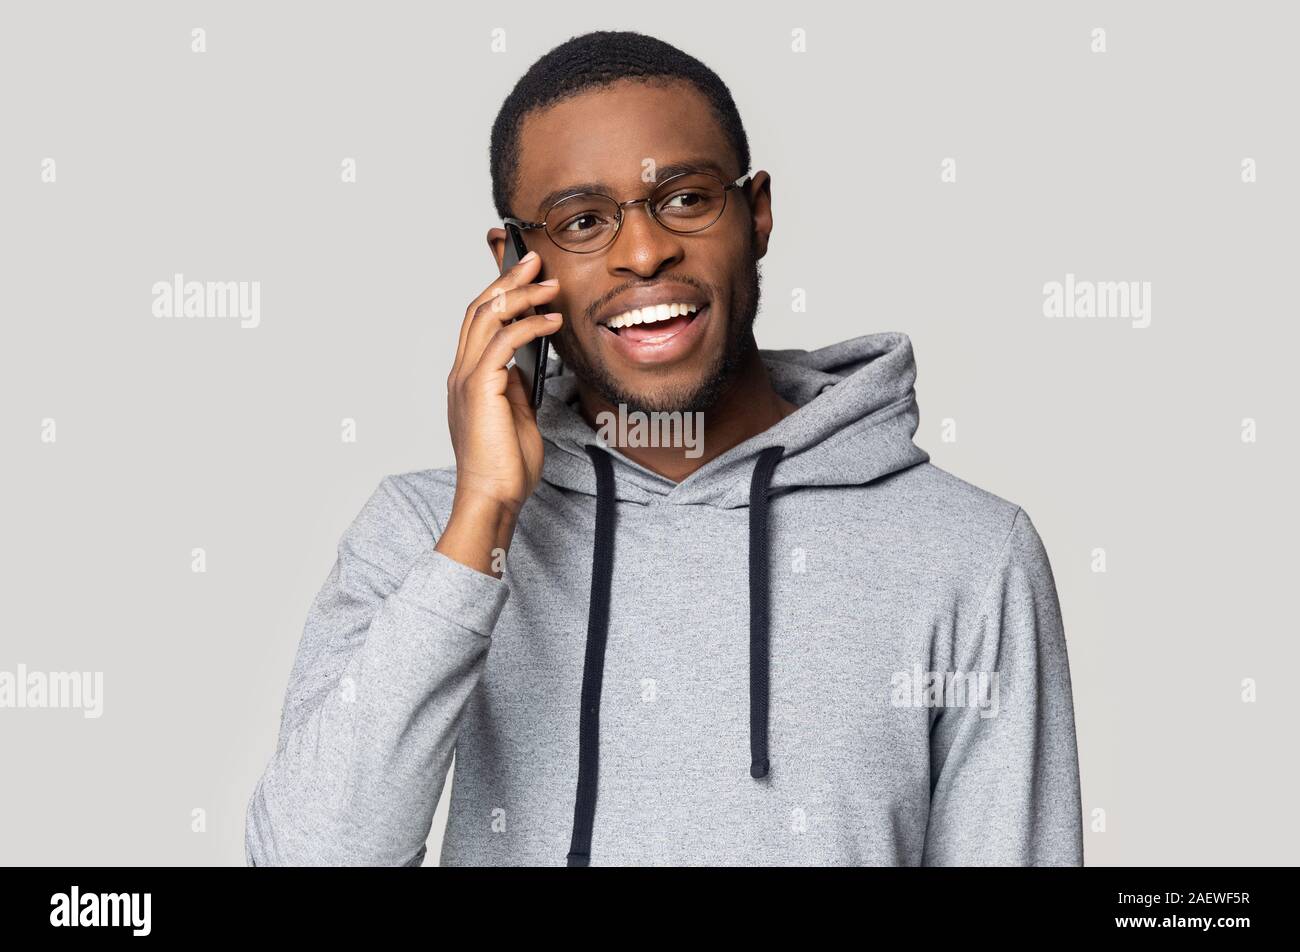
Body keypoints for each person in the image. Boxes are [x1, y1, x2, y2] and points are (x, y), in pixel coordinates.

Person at [245, 30, 1083, 867]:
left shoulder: (968, 553)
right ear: (514, 265)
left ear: (756, 215)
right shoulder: (426, 533)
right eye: (582, 222)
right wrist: (485, 519)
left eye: (685, 199)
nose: (644, 253)